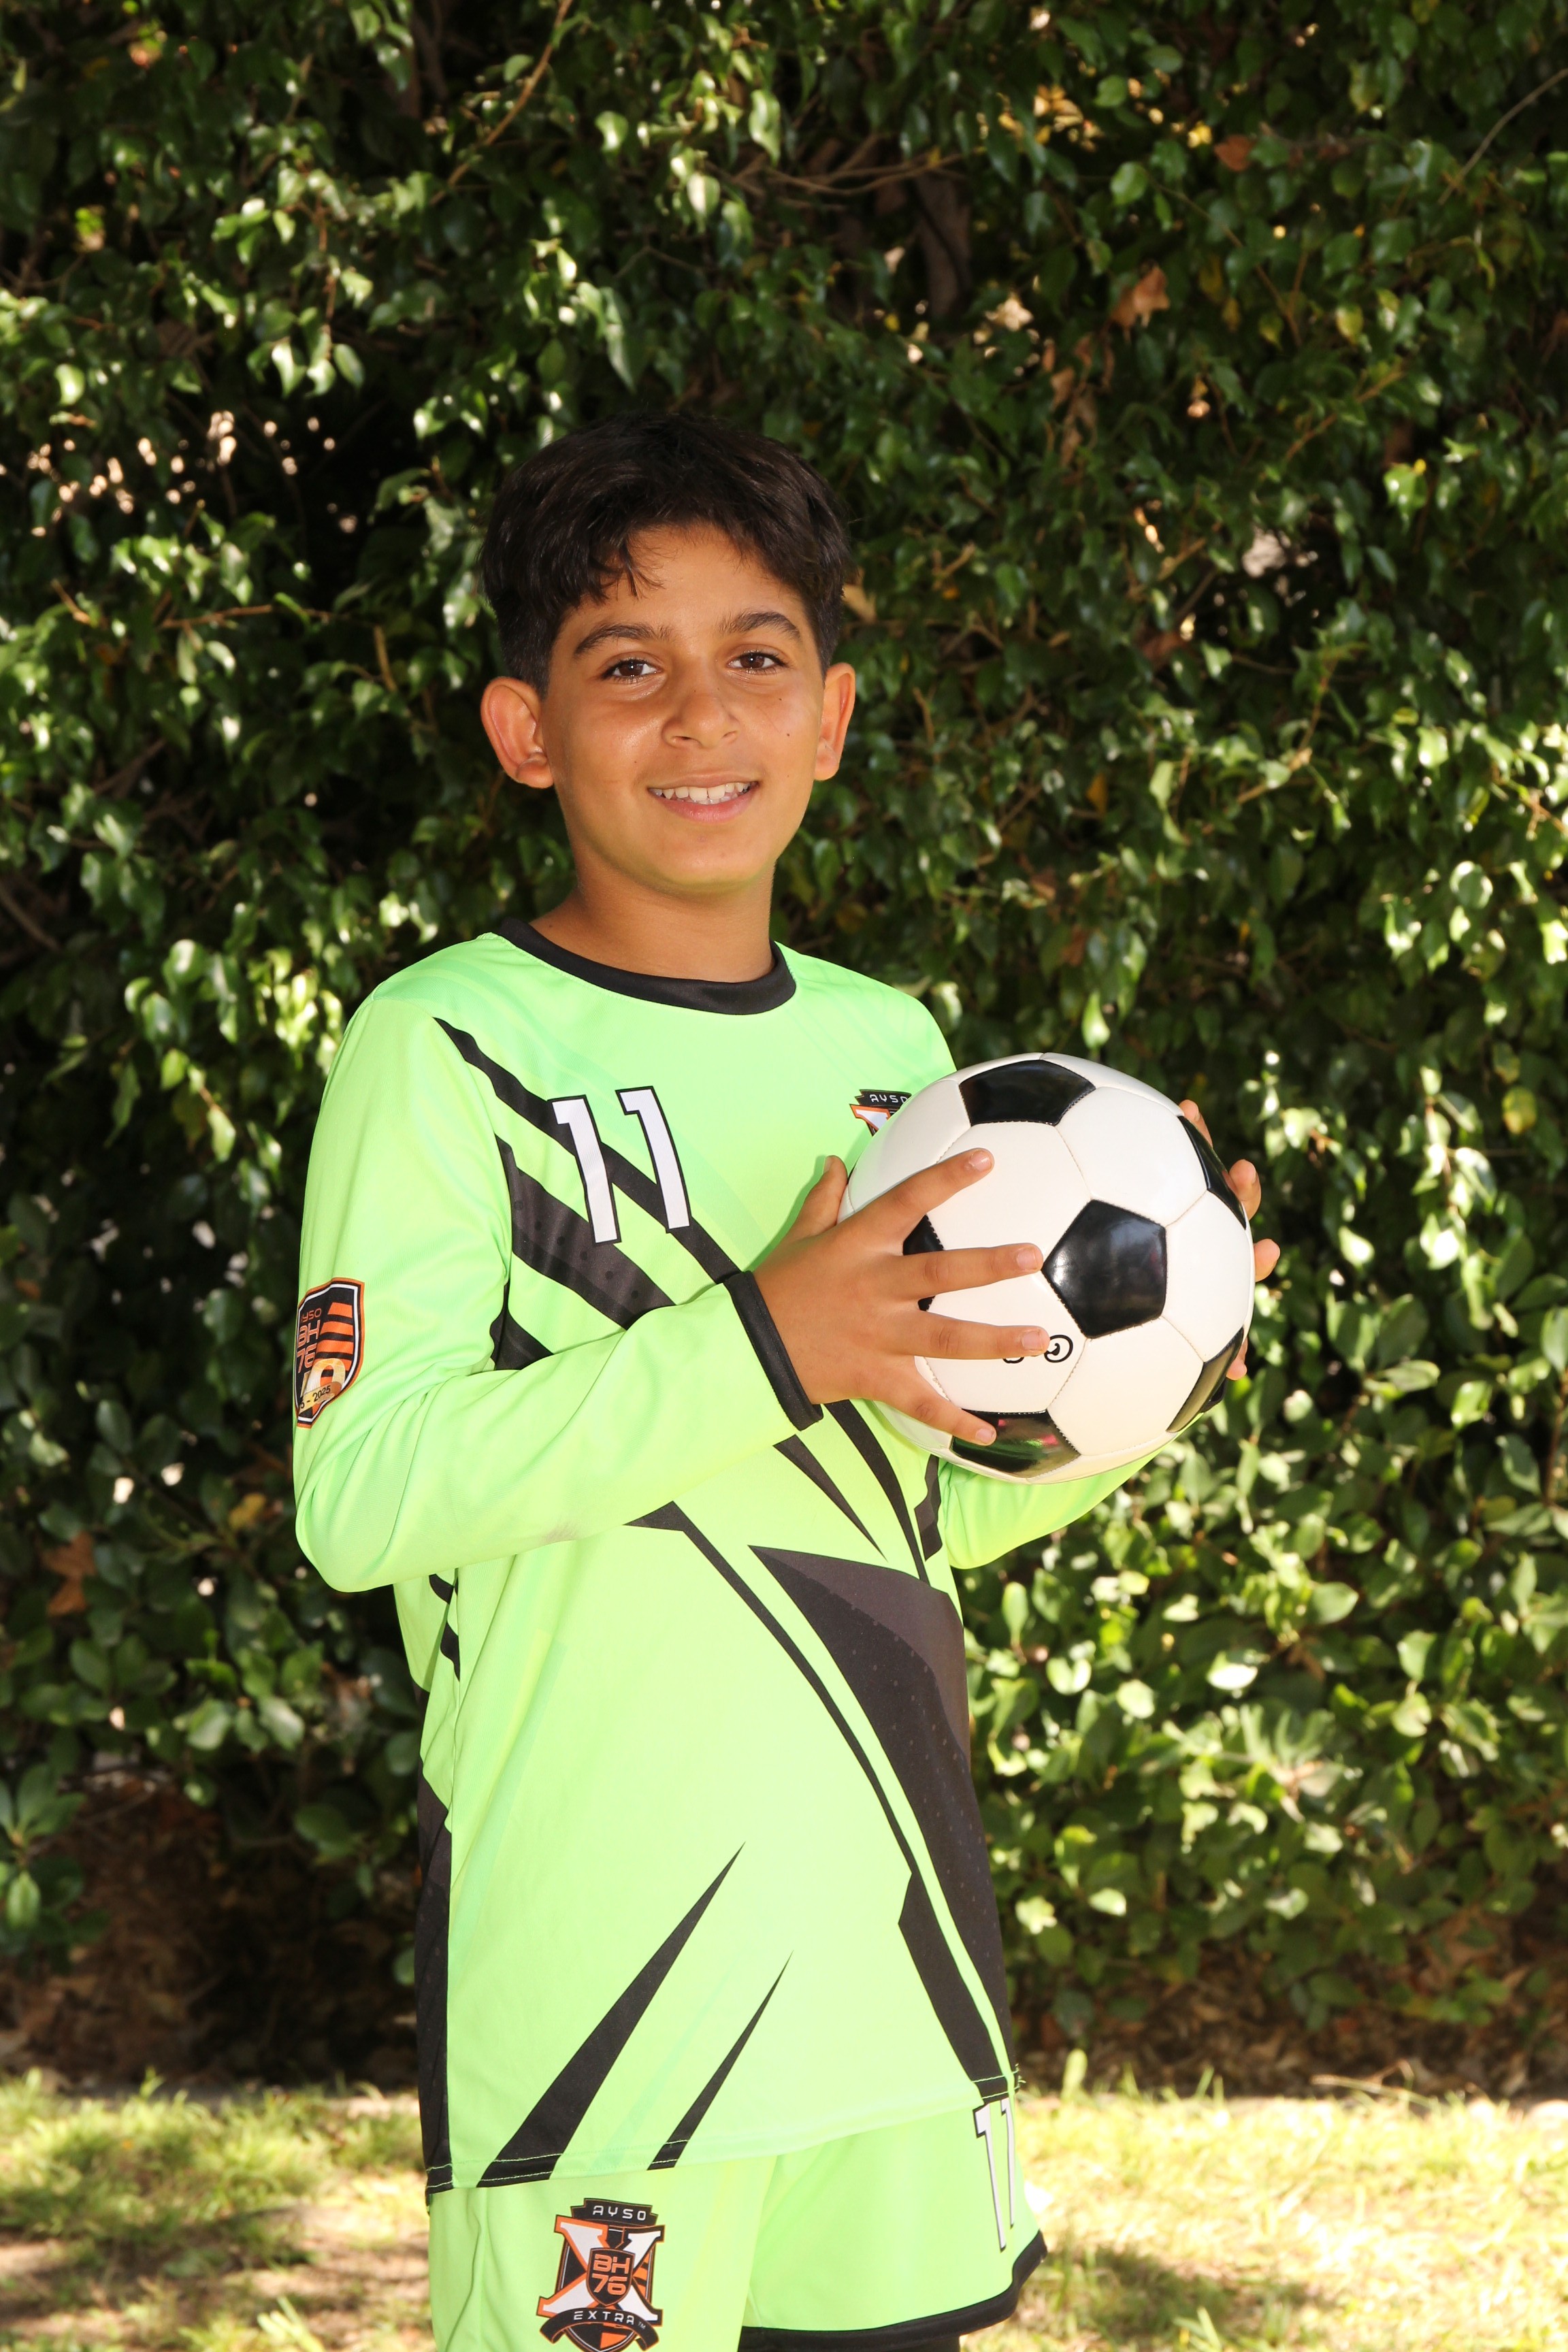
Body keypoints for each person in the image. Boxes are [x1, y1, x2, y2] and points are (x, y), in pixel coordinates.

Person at [293, 413, 1277, 2352]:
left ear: (829, 717)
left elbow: (922, 1505)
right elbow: (364, 1491)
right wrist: (763, 1338)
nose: (700, 715)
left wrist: (1150, 1378)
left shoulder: (894, 1053)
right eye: (626, 665)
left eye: (756, 656)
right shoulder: (444, 1046)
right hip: (606, 2010)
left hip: (894, 1979)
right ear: (525, 730)